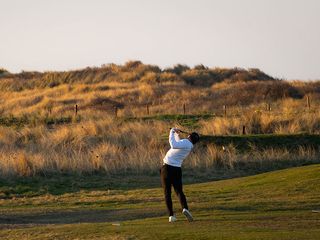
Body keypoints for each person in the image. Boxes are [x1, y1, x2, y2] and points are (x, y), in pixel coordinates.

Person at [160, 128, 200, 223]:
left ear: (189, 137)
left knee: (167, 193)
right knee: (179, 191)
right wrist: (177, 135)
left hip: (167, 168)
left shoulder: (186, 142)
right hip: (177, 169)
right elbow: (178, 144)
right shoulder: (188, 145)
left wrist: (172, 131)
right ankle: (185, 208)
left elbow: (173, 145)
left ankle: (171, 215)